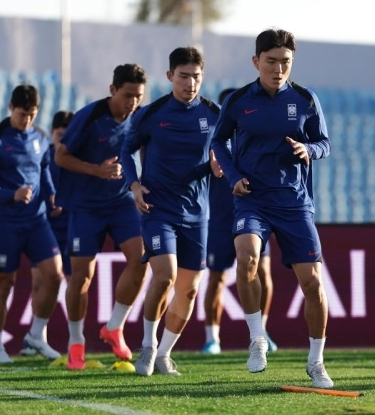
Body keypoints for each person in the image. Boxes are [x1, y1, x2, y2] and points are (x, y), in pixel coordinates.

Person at [210, 28, 333, 389]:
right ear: (256, 62)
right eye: (272, 61)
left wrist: (309, 150)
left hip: (294, 202)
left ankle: (316, 362)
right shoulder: (237, 101)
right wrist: (232, 174)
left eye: (286, 62)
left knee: (312, 284)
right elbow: (218, 141)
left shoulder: (306, 99)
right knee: (246, 258)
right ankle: (257, 337)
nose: (279, 68)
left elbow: (324, 142)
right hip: (253, 198)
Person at [121, 47, 221, 377]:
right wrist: (134, 186)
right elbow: (126, 152)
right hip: (157, 208)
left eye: (196, 76)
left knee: (189, 289)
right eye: (183, 76)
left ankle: (164, 354)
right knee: (165, 275)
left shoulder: (214, 114)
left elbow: (226, 154)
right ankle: (147, 347)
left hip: (197, 212)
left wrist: (221, 166)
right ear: (169, 77)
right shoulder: (151, 113)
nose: (190, 83)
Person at [54, 64, 148, 370]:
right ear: (112, 90)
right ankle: (75, 341)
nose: (132, 102)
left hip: (121, 201)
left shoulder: (139, 117)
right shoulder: (90, 116)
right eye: (127, 95)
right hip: (86, 205)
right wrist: (97, 170)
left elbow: (145, 147)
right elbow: (61, 156)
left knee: (141, 257)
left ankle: (114, 327)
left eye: (138, 96)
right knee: (81, 277)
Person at [0, 84, 64, 364]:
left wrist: (51, 195)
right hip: (4, 223)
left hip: (36, 220)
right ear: (11, 108)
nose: (27, 120)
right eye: (22, 114)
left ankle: (36, 335)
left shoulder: (38, 137)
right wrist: (10, 195)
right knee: (4, 283)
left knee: (54, 274)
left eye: (32, 115)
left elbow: (44, 168)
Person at [202, 88, 277, 355]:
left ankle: (262, 331)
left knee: (264, 275)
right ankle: (212, 338)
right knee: (217, 279)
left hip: (255, 217)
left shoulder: (255, 138)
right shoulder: (214, 142)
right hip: (221, 221)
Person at [20, 110, 74, 357]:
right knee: (39, 282)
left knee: (74, 283)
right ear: (52, 133)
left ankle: (76, 341)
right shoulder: (42, 155)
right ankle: (36, 337)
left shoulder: (76, 159)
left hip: (72, 226)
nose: (62, 139)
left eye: (67, 135)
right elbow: (35, 183)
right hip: (46, 225)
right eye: (59, 134)